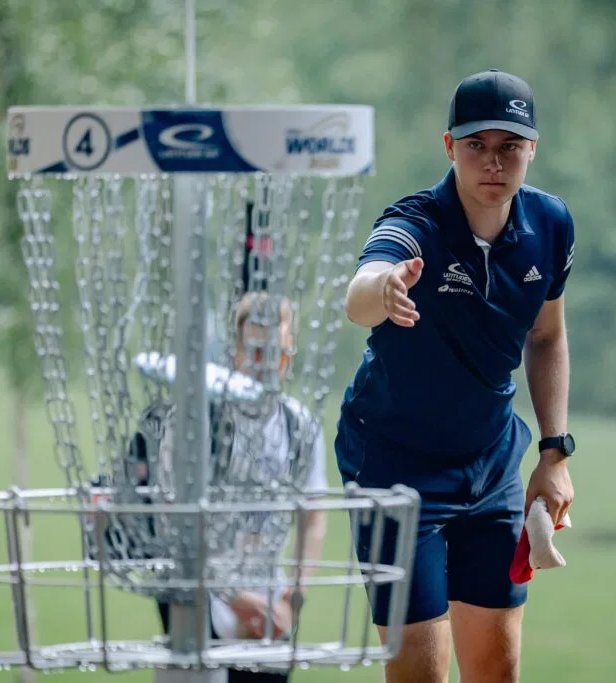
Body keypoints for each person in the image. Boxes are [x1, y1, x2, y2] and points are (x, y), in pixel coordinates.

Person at [335, 69, 577, 683]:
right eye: (476, 146)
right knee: (421, 670)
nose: (492, 163)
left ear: (532, 150)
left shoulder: (550, 226)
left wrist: (554, 453)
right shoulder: (415, 221)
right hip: (396, 466)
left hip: (491, 463)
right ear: (449, 148)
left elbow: (546, 335)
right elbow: (359, 293)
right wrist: (382, 290)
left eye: (509, 148)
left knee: (497, 667)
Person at [100, 292, 329, 683]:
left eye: (279, 352)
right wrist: (236, 598)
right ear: (234, 351)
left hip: (270, 603)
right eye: (256, 351)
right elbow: (174, 518)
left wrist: (294, 596)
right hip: (196, 595)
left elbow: (314, 517)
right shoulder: (195, 422)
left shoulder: (300, 426)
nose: (267, 364)